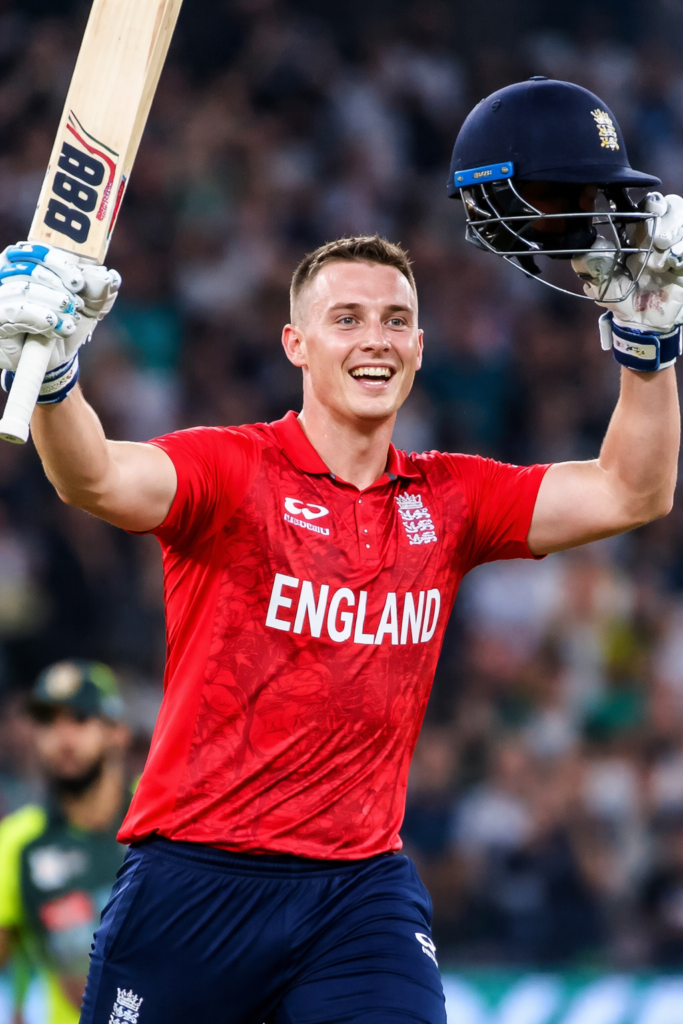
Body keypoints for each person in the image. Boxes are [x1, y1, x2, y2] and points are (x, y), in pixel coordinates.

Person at [0, 77, 679, 1024]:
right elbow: (96, 480)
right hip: (195, 882)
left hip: (359, 892)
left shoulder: (450, 497)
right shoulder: (233, 471)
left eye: (396, 320)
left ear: (420, 346)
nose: (376, 339)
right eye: (347, 320)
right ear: (297, 346)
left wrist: (647, 342)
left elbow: (631, 489)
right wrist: (53, 377)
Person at [0, 661, 130, 1024]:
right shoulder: (16, 842)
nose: (62, 738)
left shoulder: (162, 820)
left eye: (79, 718)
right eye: (48, 722)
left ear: (117, 731)